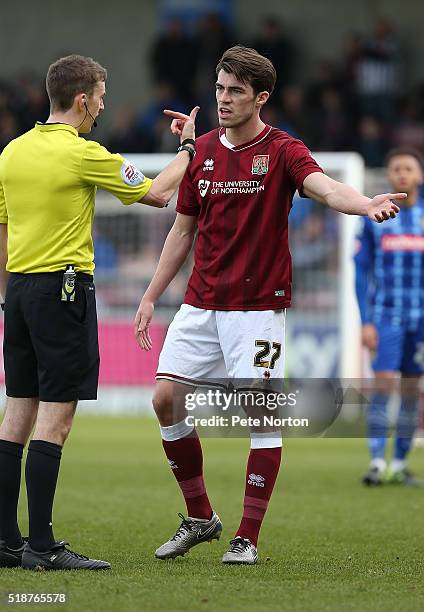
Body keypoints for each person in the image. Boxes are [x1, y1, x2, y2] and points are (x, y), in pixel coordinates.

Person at [134, 46, 403, 565]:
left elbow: (323, 188)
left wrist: (365, 202)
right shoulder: (204, 151)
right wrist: (150, 295)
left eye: (235, 91)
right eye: (219, 89)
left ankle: (247, 536)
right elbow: (182, 230)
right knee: (165, 400)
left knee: (258, 411)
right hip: (201, 304)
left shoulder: (282, 149)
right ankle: (199, 517)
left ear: (261, 97)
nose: (224, 99)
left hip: (257, 307)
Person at [0, 54, 198, 570]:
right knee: (56, 417)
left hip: (18, 291)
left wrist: (6, 291)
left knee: (16, 410)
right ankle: (41, 548)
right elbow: (158, 193)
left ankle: (3, 540)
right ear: (83, 100)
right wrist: (188, 146)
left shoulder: (12, 152)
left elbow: (2, 231)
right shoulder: (82, 152)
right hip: (63, 291)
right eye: (102, 99)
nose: (102, 109)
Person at [355, 147, 424, 487]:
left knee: (412, 392)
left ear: (419, 176)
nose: (401, 174)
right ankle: (377, 462)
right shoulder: (377, 218)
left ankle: (399, 463)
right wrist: (365, 320)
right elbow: (360, 271)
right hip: (386, 317)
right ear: (389, 176)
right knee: (382, 388)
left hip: (421, 320)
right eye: (396, 168)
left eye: (408, 168)